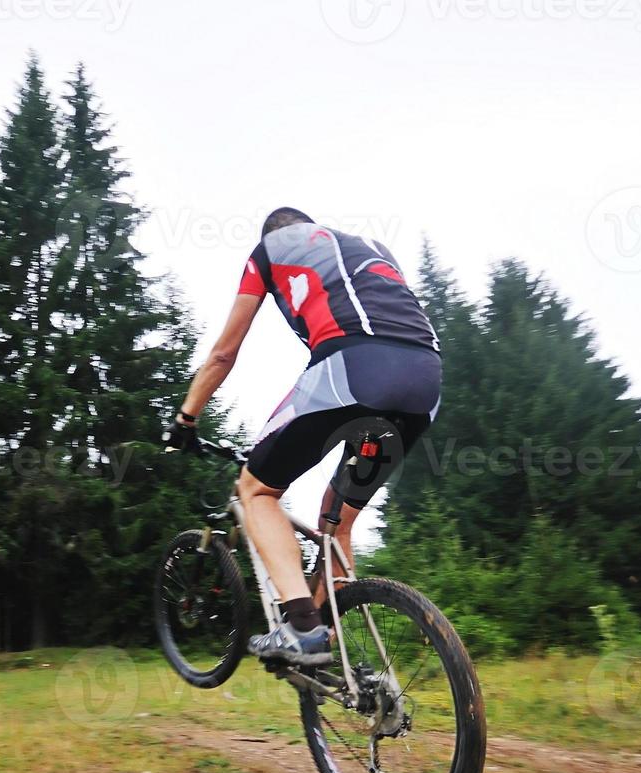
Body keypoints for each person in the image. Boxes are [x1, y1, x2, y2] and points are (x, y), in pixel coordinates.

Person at [165, 207, 442, 666]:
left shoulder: (269, 249)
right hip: (424, 382)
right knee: (338, 523)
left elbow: (223, 354)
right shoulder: (374, 248)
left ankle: (301, 628)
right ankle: (333, 648)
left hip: (353, 368)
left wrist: (186, 418)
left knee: (256, 490)